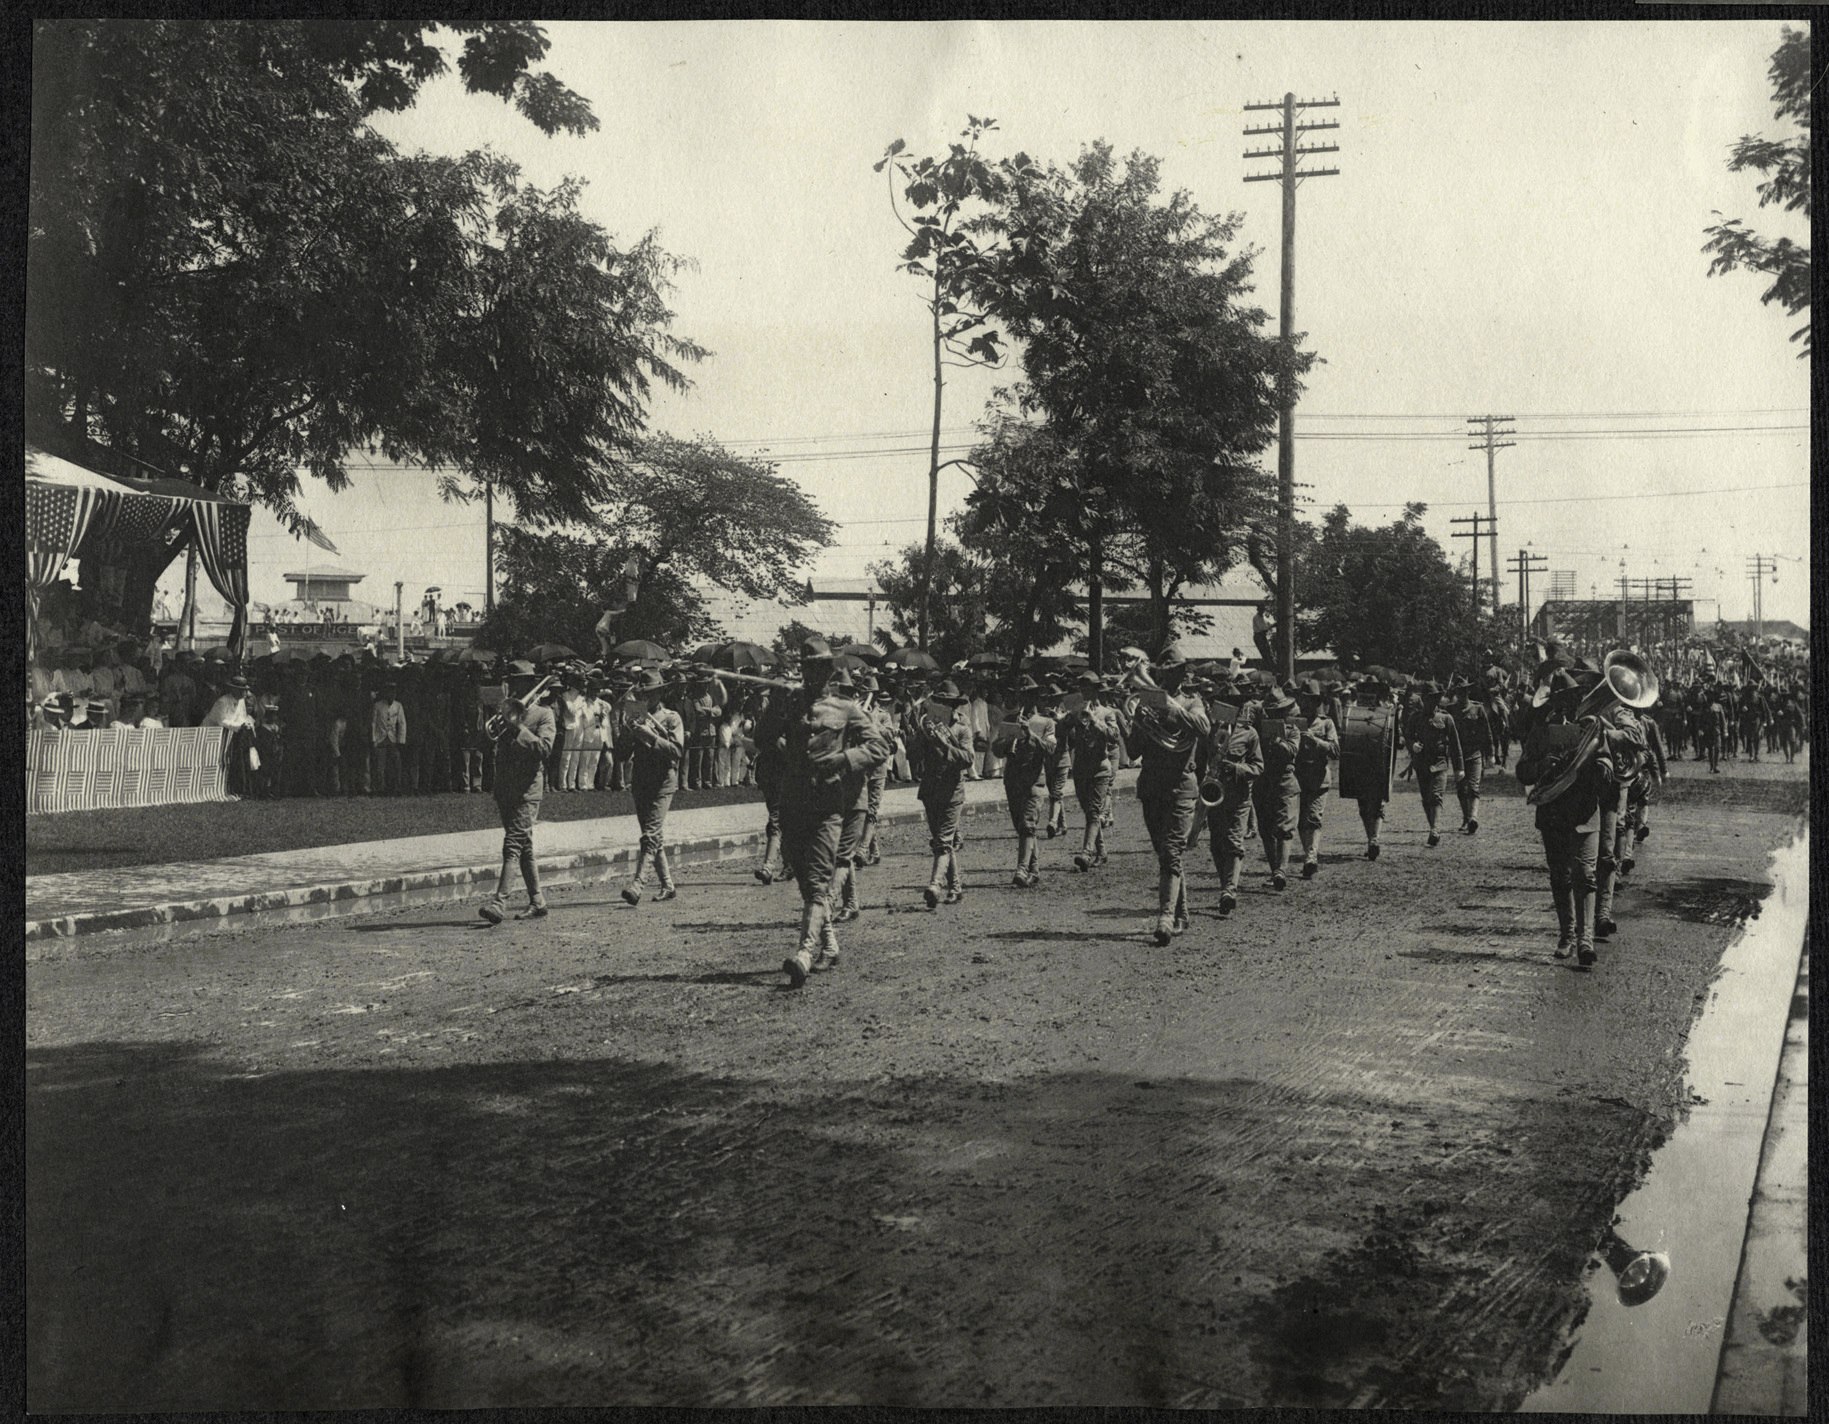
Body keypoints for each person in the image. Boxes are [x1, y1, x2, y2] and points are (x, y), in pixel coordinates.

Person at [778, 653, 892, 987]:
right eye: (806, 668)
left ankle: (804, 952)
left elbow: (880, 747)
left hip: (828, 805)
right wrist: (775, 708)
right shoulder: (791, 703)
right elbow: (766, 741)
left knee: (818, 882)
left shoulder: (846, 710)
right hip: (793, 805)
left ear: (827, 673)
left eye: (818, 669)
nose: (812, 675)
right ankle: (829, 942)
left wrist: (844, 759)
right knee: (804, 882)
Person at [1128, 645, 1211, 946]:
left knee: (1172, 850)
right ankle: (1182, 913)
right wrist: (1137, 722)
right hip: (1152, 785)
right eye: (1166, 672)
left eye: (1176, 671)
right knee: (1165, 852)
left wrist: (1173, 709)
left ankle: (1164, 916)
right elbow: (1133, 751)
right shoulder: (1145, 703)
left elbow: (1203, 727)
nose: (1172, 676)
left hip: (1181, 785)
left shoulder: (1192, 701)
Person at [478, 661, 557, 924]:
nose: (516, 688)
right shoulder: (504, 713)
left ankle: (499, 902)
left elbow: (544, 750)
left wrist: (518, 728)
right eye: (514, 683)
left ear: (533, 686)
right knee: (524, 848)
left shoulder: (544, 714)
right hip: (506, 789)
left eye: (522, 683)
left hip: (527, 791)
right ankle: (538, 901)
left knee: (512, 845)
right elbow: (486, 740)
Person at [620, 668, 686, 905]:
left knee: (650, 835)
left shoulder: (672, 717)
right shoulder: (635, 716)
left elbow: (677, 751)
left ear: (661, 692)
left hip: (663, 781)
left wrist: (650, 735)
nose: (648, 697)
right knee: (652, 836)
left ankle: (638, 885)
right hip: (641, 780)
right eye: (644, 693)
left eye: (653, 692)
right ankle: (668, 885)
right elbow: (621, 753)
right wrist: (627, 733)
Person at [913, 678, 976, 908]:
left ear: (954, 706)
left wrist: (944, 745)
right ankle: (956, 887)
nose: (943, 706)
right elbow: (914, 754)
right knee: (943, 842)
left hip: (952, 792)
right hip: (931, 790)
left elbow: (969, 759)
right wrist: (922, 736)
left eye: (947, 703)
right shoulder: (927, 725)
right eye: (939, 701)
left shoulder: (962, 728)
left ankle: (935, 885)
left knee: (943, 842)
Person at [1202, 692, 1264, 916]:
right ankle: (1224, 887)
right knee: (1217, 844)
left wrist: (1237, 768)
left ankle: (1230, 890)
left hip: (1239, 796)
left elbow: (1258, 767)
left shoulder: (1249, 734)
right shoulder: (1211, 731)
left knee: (1234, 842)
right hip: (1214, 794)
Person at [991, 677, 1055, 888]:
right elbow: (996, 749)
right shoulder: (1010, 719)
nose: (1026, 700)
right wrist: (1009, 740)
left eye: (1030, 696)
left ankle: (1021, 869)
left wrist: (1030, 734)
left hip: (1034, 781)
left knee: (1028, 825)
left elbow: (1050, 750)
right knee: (1022, 827)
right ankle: (1033, 869)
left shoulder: (1046, 722)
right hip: (1013, 780)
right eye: (1022, 696)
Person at [1062, 672, 1124, 871]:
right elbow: (1062, 731)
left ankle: (1086, 853)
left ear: (1096, 690)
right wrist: (1066, 720)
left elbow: (1114, 736)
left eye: (1088, 689)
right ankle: (1102, 851)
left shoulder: (1107, 713)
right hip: (1081, 767)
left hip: (1100, 768)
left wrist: (1095, 722)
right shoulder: (1077, 710)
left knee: (1094, 811)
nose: (1085, 692)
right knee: (1089, 812)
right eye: (1082, 689)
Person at [1251, 687, 1303, 891]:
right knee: (1265, 829)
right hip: (1263, 784)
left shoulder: (1292, 730)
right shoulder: (1256, 731)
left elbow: (1292, 750)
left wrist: (1278, 741)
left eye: (1278, 712)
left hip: (1285, 783)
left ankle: (1281, 869)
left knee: (1284, 828)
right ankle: (1275, 871)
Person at [1291, 679, 1341, 878]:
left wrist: (1317, 742)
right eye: (1304, 700)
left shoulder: (1326, 722)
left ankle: (1311, 857)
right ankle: (1309, 854)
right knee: (1302, 821)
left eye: (1312, 700)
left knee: (1314, 818)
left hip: (1319, 777)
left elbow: (1336, 750)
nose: (1307, 704)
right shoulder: (1292, 720)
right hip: (1297, 777)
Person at [1404, 681, 1463, 847]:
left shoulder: (1446, 718)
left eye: (1435, 699)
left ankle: (1435, 830)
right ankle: (1433, 827)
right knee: (1426, 799)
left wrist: (1459, 768)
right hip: (1421, 763)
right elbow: (1408, 736)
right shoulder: (1415, 718)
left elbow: (1455, 744)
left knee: (1436, 796)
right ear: (1423, 700)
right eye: (1429, 699)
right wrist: (1412, 745)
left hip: (1440, 764)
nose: (1432, 702)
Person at [1445, 677, 1495, 835]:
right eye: (1459, 692)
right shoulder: (1450, 710)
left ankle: (1473, 818)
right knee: (1461, 789)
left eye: (1464, 691)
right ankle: (1466, 818)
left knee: (1473, 787)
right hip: (1457, 755)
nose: (1462, 695)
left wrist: (1491, 753)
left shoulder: (1478, 709)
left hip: (1475, 754)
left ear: (1468, 692)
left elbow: (1486, 732)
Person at [370, 678, 406, 795]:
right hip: (381, 738)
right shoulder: (378, 705)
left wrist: (401, 740)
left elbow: (402, 722)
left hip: (393, 738)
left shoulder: (398, 705)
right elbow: (373, 722)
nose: (392, 694)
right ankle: (380, 788)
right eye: (390, 692)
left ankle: (396, 787)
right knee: (380, 765)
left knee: (396, 763)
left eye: (394, 692)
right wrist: (373, 739)